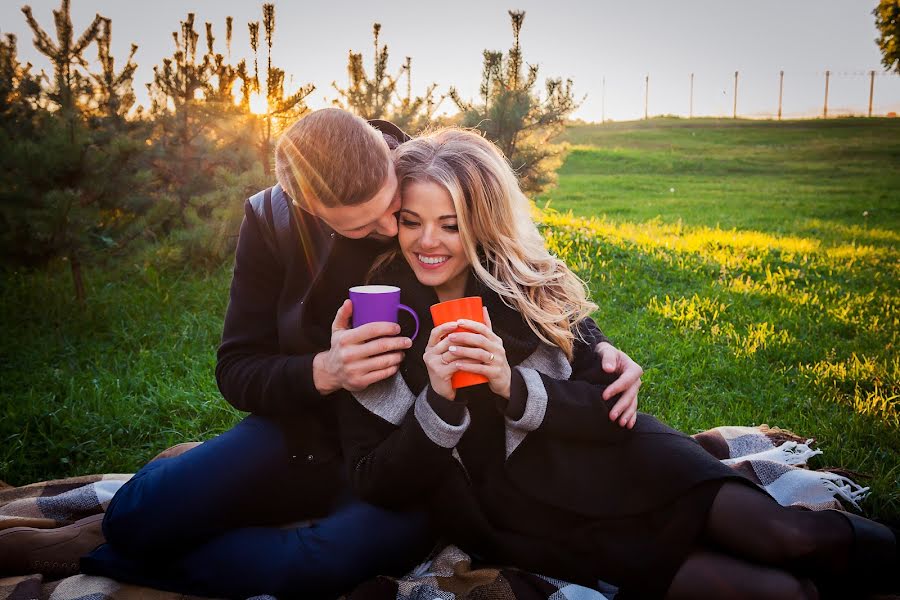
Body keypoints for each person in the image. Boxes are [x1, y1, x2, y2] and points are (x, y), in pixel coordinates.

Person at [0, 109, 644, 598]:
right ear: (305, 207)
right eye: (362, 227)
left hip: (411, 455)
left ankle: (103, 553)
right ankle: (113, 532)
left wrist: (599, 348)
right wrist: (324, 370)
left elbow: (516, 266)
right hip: (306, 434)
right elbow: (238, 367)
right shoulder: (273, 221)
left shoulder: (424, 177)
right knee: (140, 517)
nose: (394, 232)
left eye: (391, 208)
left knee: (319, 565)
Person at [338, 128, 898, 599]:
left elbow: (608, 410)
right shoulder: (380, 318)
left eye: (451, 224)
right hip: (548, 524)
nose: (427, 241)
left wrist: (512, 384)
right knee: (779, 593)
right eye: (412, 221)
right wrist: (439, 399)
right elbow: (377, 480)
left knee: (795, 539)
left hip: (626, 465)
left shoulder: (532, 286)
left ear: (482, 221)